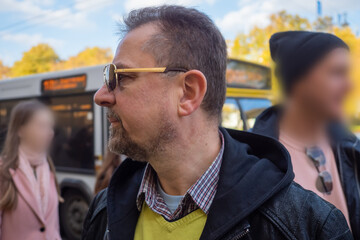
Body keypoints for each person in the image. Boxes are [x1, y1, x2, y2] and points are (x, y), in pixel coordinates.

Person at [82, 6, 352, 240]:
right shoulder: (104, 210)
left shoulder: (307, 224)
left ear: (188, 93)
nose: (101, 96)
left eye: (120, 76)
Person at [253, 31, 360, 239]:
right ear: (298, 82)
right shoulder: (257, 162)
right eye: (337, 73)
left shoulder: (350, 146)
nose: (350, 85)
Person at [0, 100, 62, 239]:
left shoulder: (48, 168)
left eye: (50, 126)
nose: (50, 132)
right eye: (41, 126)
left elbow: (53, 227)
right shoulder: (3, 170)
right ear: (21, 130)